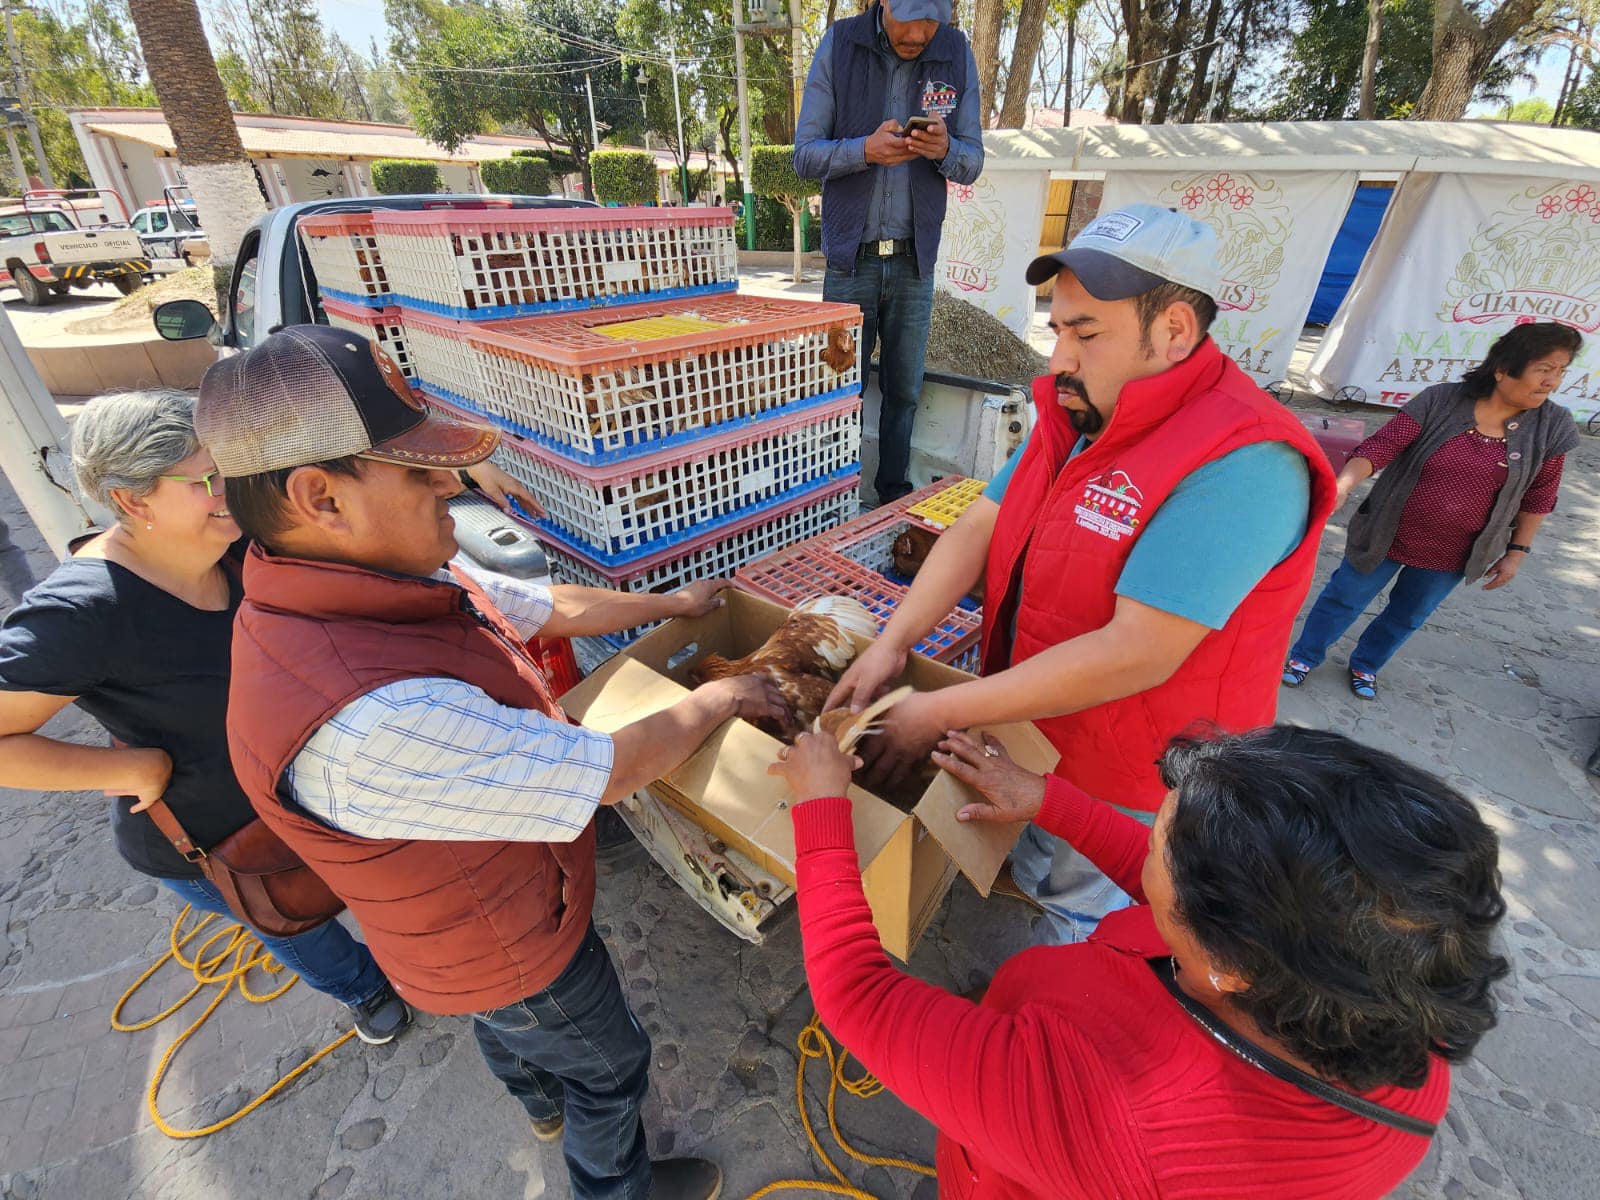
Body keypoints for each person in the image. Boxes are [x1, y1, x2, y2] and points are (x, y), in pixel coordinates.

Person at [197, 326, 783, 1200]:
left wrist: (674, 602)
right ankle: (612, 1187)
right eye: (415, 470)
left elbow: (542, 604)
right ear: (320, 495)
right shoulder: (371, 715)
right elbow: (608, 773)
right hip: (505, 944)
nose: (450, 483)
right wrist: (728, 697)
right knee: (609, 1066)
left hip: (456, 927)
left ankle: (536, 1098)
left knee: (511, 1032)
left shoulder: (374, 579)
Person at [827, 204, 1336, 942]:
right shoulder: (1080, 411)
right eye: (1057, 327)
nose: (1058, 356)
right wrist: (891, 641)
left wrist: (939, 710)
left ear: (1174, 332)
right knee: (1036, 862)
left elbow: (1138, 650)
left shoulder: (1247, 462)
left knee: (1090, 916)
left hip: (1136, 772)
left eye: (1086, 333)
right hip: (1039, 726)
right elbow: (981, 523)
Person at [768, 723, 1507, 1199]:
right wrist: (1049, 802)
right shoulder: (1399, 1003)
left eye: (1157, 844)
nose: (1146, 845)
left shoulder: (1108, 1111)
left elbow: (853, 994)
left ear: (1228, 960)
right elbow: (1188, 900)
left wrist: (822, 808)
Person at [0, 390, 417, 1043]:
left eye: (231, 469)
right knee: (299, 926)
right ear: (132, 502)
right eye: (205, 480)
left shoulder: (237, 542)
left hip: (300, 798)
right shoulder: (83, 610)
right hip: (217, 840)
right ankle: (363, 992)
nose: (231, 490)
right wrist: (135, 766)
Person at [1283, 321, 1582, 700]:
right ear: (1503, 369)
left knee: (1408, 614)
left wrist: (1517, 553)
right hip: (1388, 530)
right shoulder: (1441, 400)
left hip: (1457, 550)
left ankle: (1367, 664)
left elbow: (1541, 495)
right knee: (1344, 597)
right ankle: (1304, 655)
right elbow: (1382, 446)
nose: (1552, 381)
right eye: (1544, 369)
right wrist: (1343, 485)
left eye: (1560, 371)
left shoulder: (1553, 425)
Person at [794, 0, 983, 504]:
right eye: (909, 16)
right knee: (836, 394)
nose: (919, 33)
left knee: (903, 393)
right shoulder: (840, 44)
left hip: (914, 263)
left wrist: (946, 151)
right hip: (847, 261)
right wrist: (863, 151)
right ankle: (827, 500)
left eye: (931, 20)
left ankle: (894, 500)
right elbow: (804, 155)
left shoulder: (956, 52)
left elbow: (973, 161)